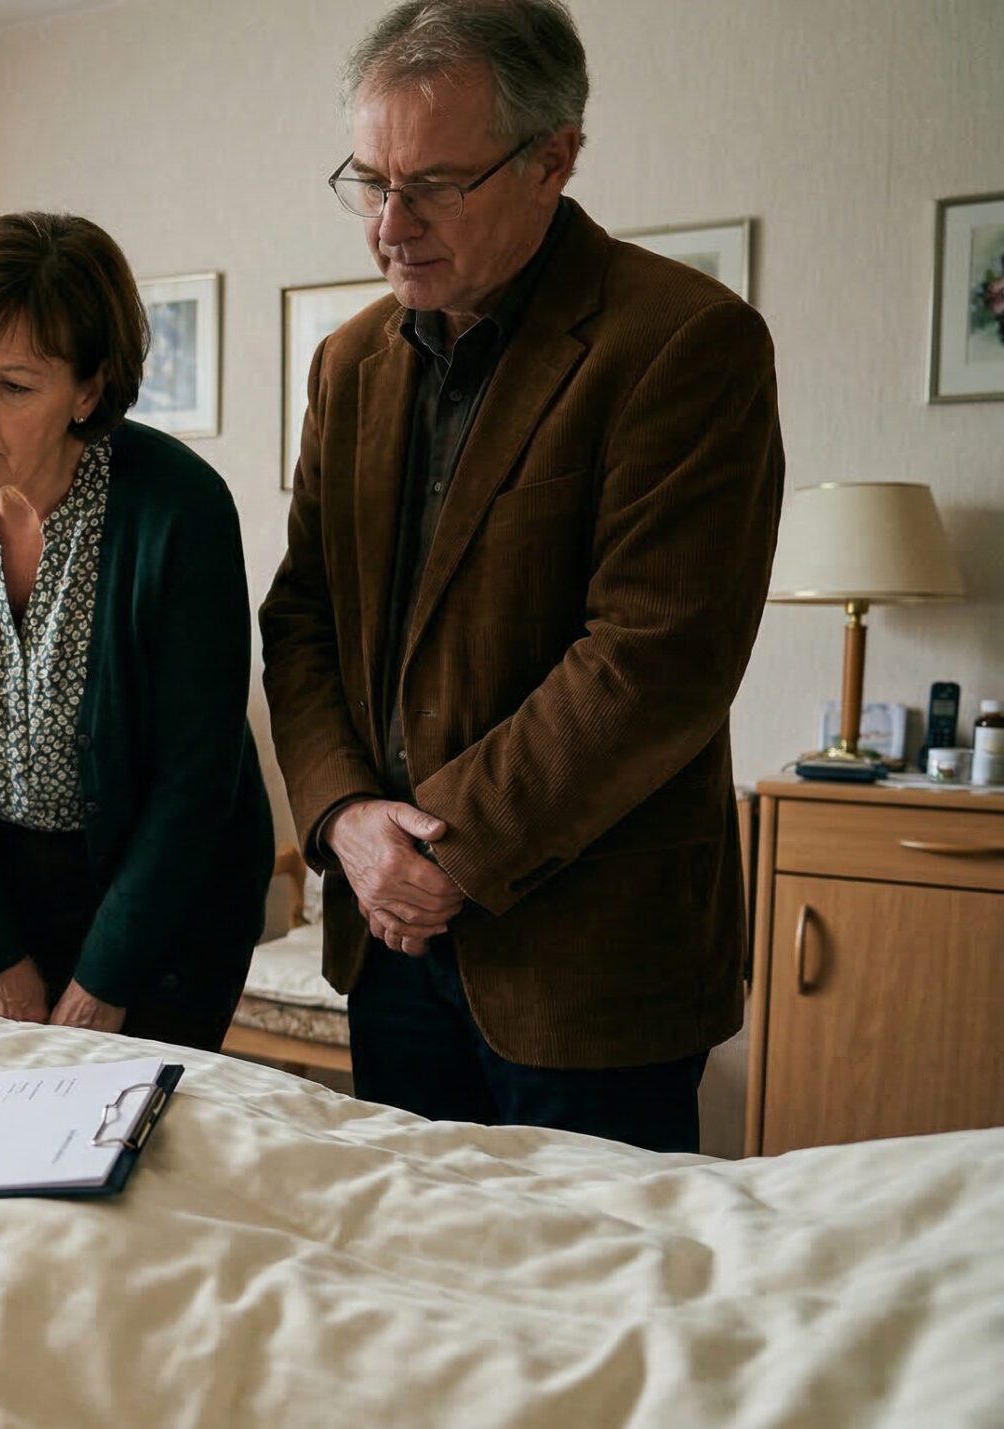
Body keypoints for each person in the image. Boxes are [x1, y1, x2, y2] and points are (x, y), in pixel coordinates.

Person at [258, 0, 784, 1151]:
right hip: (389, 944)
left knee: (597, 1309)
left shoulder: (684, 340)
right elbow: (301, 619)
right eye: (370, 181)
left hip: (591, 962)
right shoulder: (347, 364)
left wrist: (447, 851)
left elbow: (655, 655)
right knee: (416, 1292)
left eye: (435, 184)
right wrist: (346, 821)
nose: (391, 225)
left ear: (555, 158)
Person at [0, 213, 272, 1047]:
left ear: (87, 390)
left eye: (12, 384)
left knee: (141, 1138)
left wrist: (106, 979)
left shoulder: (179, 508)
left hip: (164, 892)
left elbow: (197, 775)